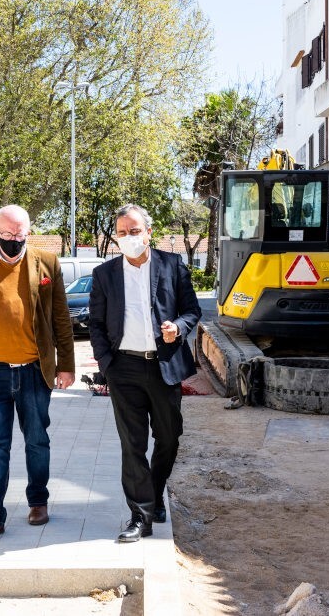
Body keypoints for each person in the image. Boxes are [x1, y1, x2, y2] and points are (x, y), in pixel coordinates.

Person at [0, 205, 76, 540]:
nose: (13, 240)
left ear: (28, 232)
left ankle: (38, 501)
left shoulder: (47, 263)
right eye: (7, 234)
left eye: (19, 234)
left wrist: (66, 364)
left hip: (34, 371)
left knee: (37, 439)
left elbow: (61, 318)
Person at [88, 204, 201, 543]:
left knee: (169, 436)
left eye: (134, 231)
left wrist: (178, 327)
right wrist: (107, 364)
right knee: (132, 444)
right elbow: (95, 324)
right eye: (122, 233)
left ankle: (154, 491)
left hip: (164, 365)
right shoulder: (105, 274)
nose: (128, 237)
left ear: (148, 232)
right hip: (124, 369)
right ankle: (141, 516)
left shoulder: (172, 265)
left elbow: (192, 310)